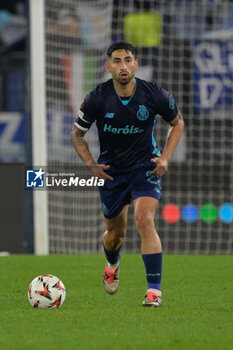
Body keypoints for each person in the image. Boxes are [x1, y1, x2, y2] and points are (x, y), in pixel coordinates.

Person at [70, 41, 184, 307]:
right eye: (117, 61)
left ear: (136, 64)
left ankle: (154, 291)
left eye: (128, 60)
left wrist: (166, 157)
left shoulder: (153, 94)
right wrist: (91, 165)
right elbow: (77, 134)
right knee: (115, 234)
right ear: (108, 67)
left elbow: (177, 123)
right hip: (112, 174)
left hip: (145, 168)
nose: (123, 66)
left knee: (144, 220)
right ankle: (112, 263)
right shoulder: (97, 98)